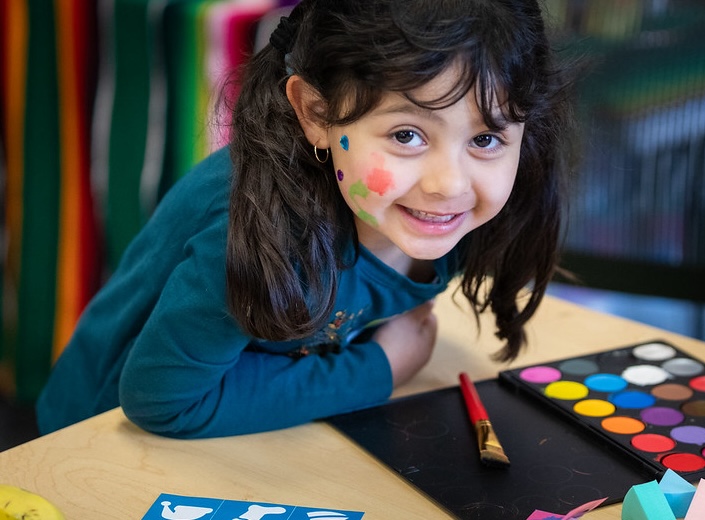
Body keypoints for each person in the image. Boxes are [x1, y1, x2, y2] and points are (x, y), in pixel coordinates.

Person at [36, 0, 576, 437]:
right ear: (316, 114)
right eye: (406, 135)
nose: (450, 185)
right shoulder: (260, 226)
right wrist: (379, 370)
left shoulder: (438, 214)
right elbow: (162, 401)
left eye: (485, 138)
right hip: (95, 449)